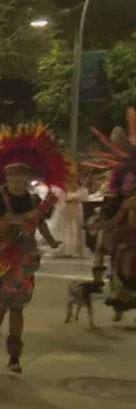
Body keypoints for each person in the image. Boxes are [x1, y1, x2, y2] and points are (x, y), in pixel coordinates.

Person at [0, 124, 69, 374]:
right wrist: (24, 217)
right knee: (0, 307)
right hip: (0, 259)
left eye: (21, 174)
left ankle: (15, 357)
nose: (17, 179)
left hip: (24, 260)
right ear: (6, 177)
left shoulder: (33, 199)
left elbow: (39, 223)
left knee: (18, 308)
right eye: (12, 174)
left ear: (28, 177)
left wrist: (51, 242)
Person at [85, 107, 136, 320]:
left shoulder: (129, 161)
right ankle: (117, 301)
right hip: (120, 223)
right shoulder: (118, 172)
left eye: (120, 138)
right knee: (115, 258)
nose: (117, 142)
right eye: (114, 139)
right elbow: (114, 198)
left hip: (126, 223)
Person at [51, 176, 89, 258]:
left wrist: (73, 198)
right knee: (64, 229)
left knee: (76, 229)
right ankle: (63, 249)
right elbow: (62, 198)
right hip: (64, 211)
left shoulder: (81, 190)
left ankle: (75, 250)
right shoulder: (61, 189)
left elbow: (81, 198)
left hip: (75, 211)